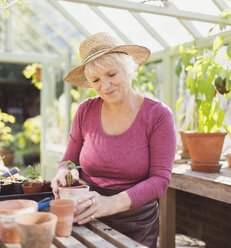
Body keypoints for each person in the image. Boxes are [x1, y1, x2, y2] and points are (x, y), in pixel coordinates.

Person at [51, 32, 176, 248]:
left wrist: (110, 203)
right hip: (87, 215)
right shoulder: (85, 111)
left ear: (128, 69)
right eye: (96, 80)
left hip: (135, 222)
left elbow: (160, 180)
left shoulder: (157, 115)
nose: (105, 86)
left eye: (111, 74)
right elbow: (69, 160)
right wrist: (63, 172)